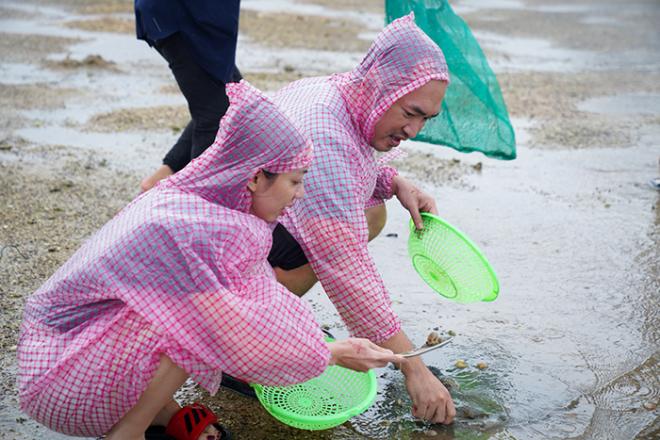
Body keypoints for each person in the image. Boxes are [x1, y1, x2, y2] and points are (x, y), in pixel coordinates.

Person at [17, 81, 403, 440]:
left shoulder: (206, 202)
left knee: (197, 316)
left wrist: (388, 181)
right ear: (254, 178)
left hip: (75, 350)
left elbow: (261, 299)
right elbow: (235, 330)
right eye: (296, 180)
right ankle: (128, 430)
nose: (300, 194)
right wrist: (331, 354)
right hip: (61, 380)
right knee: (199, 326)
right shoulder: (191, 231)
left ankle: (160, 414)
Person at [134, 13, 457, 424]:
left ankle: (253, 325)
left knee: (369, 210)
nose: (414, 130)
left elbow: (348, 172)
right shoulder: (325, 131)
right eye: (410, 113)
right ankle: (238, 350)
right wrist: (413, 367)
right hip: (200, 262)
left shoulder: (340, 92)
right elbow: (344, 265)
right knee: (333, 242)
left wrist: (394, 182)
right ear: (380, 87)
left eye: (426, 119)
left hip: (227, 227)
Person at [135, 0, 243, 192]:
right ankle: (193, 203)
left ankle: (160, 180)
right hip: (183, 17)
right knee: (214, 115)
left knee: (234, 99)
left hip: (195, 17)